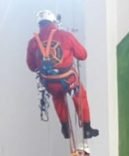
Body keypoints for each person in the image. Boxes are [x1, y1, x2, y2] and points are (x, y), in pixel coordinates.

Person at [26, 10, 99, 139]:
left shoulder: (33, 42)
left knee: (58, 98)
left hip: (49, 83)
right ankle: (87, 128)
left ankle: (65, 129)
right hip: (69, 79)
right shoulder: (65, 35)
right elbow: (83, 55)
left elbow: (32, 67)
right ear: (53, 22)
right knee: (80, 96)